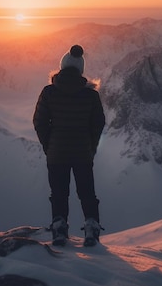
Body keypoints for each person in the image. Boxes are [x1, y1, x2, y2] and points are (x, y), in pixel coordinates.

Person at [33, 44, 106, 246]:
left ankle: (59, 229)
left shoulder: (49, 92)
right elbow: (98, 123)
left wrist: (49, 145)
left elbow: (39, 122)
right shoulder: (91, 95)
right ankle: (91, 229)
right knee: (87, 193)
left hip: (56, 153)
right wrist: (91, 147)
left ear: (62, 67)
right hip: (83, 153)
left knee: (58, 193)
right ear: (80, 69)